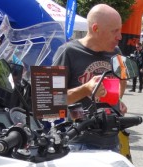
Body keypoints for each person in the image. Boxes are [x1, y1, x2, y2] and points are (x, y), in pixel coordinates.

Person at [51, 4, 128, 152]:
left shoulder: (116, 52)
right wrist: (85, 89)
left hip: (111, 141)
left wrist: (117, 101)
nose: (120, 36)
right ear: (95, 28)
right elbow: (52, 100)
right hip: (79, 143)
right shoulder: (68, 52)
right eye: (115, 31)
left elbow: (122, 82)